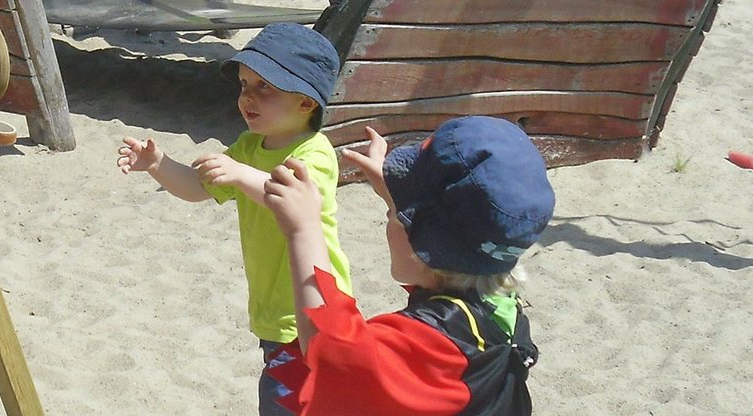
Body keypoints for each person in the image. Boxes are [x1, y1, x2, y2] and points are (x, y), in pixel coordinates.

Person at [115, 23, 352, 414]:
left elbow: (288, 198)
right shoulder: (248, 147)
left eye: (265, 88)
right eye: (244, 84)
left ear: (307, 102)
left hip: (315, 310)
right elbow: (196, 187)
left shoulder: (315, 153)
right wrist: (158, 164)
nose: (248, 97)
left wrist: (241, 174)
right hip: (274, 314)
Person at [259, 116, 551, 415]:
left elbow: (331, 351)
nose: (391, 216)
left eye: (394, 216)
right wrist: (396, 197)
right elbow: (445, 251)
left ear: (421, 250)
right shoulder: (496, 294)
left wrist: (304, 230)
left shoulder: (439, 344)